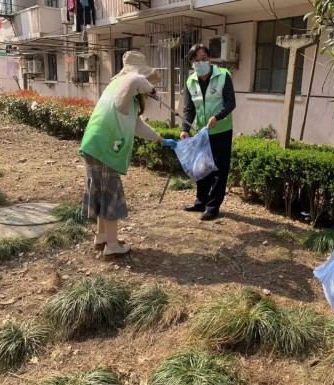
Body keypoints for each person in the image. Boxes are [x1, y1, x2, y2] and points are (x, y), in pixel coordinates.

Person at [79, 51, 177, 261]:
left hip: (94, 145)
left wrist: (161, 140)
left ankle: (101, 237)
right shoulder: (124, 84)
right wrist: (151, 90)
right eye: (146, 79)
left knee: (101, 192)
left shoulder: (124, 96)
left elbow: (137, 126)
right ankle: (113, 246)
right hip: (105, 148)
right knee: (110, 194)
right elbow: (134, 78)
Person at [181, 44, 236, 221]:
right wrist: (185, 129)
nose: (201, 62)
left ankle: (212, 207)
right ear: (191, 64)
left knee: (219, 171)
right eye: (196, 60)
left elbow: (230, 103)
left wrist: (217, 117)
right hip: (201, 132)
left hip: (221, 130)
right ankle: (200, 201)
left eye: (204, 58)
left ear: (210, 59)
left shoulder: (223, 75)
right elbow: (189, 108)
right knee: (202, 167)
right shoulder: (190, 81)